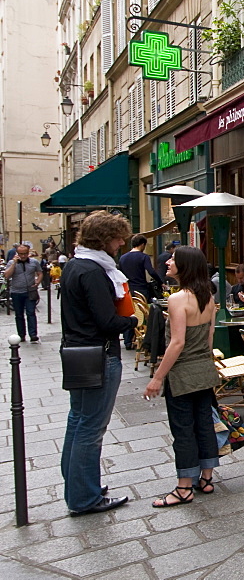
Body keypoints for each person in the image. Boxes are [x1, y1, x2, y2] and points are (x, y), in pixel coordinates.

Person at [60, 211, 137, 516]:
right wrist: (131, 321)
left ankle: (78, 485)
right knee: (91, 427)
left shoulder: (75, 264)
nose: (121, 243)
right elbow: (106, 321)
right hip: (99, 354)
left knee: (78, 420)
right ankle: (84, 497)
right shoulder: (93, 271)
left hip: (77, 351)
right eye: (118, 237)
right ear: (104, 238)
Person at [144, 246, 221, 507]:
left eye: (173, 260)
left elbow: (176, 343)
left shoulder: (178, 300)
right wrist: (206, 365)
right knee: (204, 424)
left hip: (182, 375)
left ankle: (184, 487)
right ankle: (207, 478)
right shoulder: (208, 297)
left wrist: (157, 377)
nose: (168, 262)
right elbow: (209, 337)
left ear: (185, 266)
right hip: (203, 370)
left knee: (183, 429)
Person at [5, 243, 43, 343]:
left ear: (28, 252)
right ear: (17, 253)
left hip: (30, 291)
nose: (23, 256)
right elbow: (7, 276)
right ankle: (21, 335)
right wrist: (14, 263)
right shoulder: (11, 263)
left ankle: (33, 334)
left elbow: (40, 273)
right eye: (20, 254)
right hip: (16, 292)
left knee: (31, 313)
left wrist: (38, 281)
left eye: (25, 253)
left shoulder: (34, 262)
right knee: (19, 314)